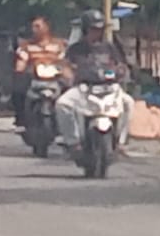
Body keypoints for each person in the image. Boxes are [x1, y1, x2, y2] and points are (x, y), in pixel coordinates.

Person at [56, 9, 134, 151]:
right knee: (62, 104)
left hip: (109, 87)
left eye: (99, 29)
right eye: (93, 29)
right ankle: (73, 141)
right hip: (83, 88)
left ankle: (121, 141)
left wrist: (122, 72)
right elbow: (65, 65)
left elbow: (120, 64)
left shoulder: (110, 48)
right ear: (85, 29)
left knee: (128, 103)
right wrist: (67, 74)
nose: (96, 32)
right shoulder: (76, 49)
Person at [12, 15, 66, 128]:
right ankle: (21, 121)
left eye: (38, 26)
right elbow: (21, 60)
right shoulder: (26, 46)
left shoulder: (58, 45)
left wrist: (66, 71)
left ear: (47, 27)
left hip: (55, 77)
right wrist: (20, 68)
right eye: (33, 27)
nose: (34, 29)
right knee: (18, 90)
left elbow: (65, 61)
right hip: (33, 77)